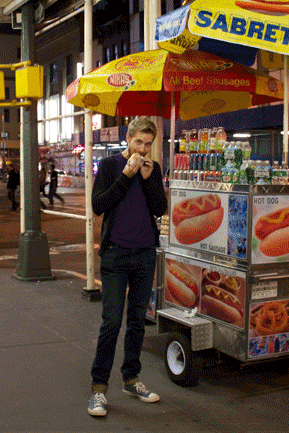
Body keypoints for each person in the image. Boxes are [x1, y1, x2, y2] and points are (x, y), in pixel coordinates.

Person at [87, 117, 167, 417]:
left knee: (137, 321)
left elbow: (160, 208)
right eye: (138, 143)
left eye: (148, 145)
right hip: (116, 256)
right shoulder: (109, 166)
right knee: (111, 322)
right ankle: (98, 388)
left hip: (145, 254)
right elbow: (98, 205)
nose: (143, 150)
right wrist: (126, 175)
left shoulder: (153, 169)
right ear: (128, 139)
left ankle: (131, 379)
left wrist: (147, 179)